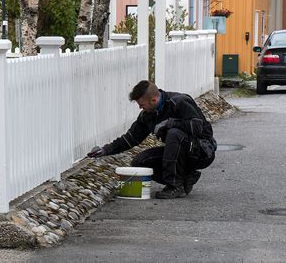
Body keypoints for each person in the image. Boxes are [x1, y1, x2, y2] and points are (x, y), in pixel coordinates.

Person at [87, 80, 217, 199]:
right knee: (139, 163)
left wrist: (170, 123)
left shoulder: (179, 102)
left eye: (141, 105)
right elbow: (130, 139)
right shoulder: (147, 115)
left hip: (201, 152)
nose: (140, 108)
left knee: (174, 133)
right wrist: (105, 150)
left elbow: (198, 127)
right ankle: (185, 178)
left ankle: (175, 186)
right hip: (178, 153)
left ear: (154, 100)